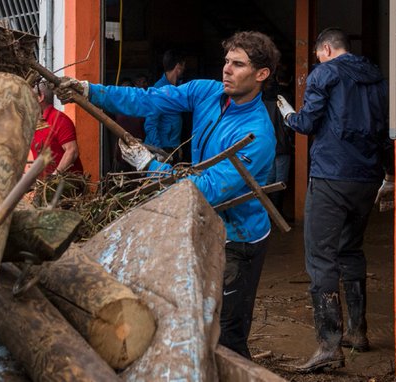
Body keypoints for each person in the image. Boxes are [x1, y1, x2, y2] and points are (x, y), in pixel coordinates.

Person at [57, 31, 280, 359]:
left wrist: (149, 164)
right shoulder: (207, 92)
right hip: (203, 225)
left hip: (238, 239)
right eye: (226, 62)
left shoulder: (256, 135)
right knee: (197, 318)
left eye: (238, 64)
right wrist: (90, 92)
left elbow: (203, 191)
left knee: (227, 335)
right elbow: (149, 99)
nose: (226, 70)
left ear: (261, 75)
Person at [276, 28, 394, 373]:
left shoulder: (324, 72)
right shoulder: (378, 80)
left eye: (317, 56)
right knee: (351, 250)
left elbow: (308, 123)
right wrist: (389, 174)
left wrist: (287, 115)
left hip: (331, 176)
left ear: (326, 49)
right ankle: (358, 333)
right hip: (367, 177)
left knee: (320, 257)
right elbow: (388, 129)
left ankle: (329, 345)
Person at [31, 81, 84, 176]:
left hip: (65, 186)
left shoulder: (59, 119)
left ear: (40, 97)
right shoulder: (35, 123)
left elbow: (72, 151)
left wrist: (54, 177)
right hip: (44, 187)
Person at [263, 65, 294, 217]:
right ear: (292, 79)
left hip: (268, 143)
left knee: (269, 180)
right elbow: (288, 124)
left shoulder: (265, 97)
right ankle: (277, 214)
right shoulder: (287, 97)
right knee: (281, 180)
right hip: (283, 144)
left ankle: (267, 213)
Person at [143, 50, 187, 158]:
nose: (184, 70)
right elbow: (150, 124)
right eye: (184, 66)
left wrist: (177, 146)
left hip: (172, 146)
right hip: (162, 148)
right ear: (178, 67)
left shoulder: (178, 89)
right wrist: (158, 151)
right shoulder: (159, 90)